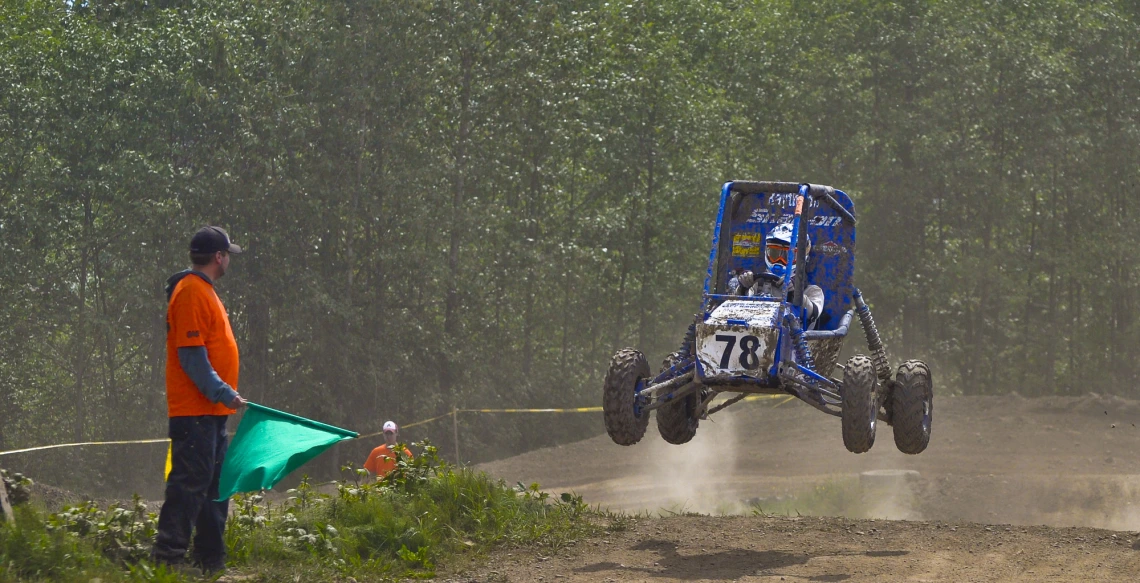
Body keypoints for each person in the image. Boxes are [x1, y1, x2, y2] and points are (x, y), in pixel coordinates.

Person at [152, 226, 248, 575]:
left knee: (214, 488)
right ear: (219, 257)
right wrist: (224, 391)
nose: (228, 261)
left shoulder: (205, 291)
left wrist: (223, 398)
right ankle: (168, 560)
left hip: (211, 413)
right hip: (195, 412)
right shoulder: (191, 292)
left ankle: (210, 560)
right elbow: (191, 357)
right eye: (228, 255)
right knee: (189, 486)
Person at [729, 223, 826, 329]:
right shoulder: (756, 285)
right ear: (767, 252)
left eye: (788, 256)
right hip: (755, 336)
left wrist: (794, 292)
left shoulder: (813, 291)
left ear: (801, 258)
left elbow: (813, 313)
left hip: (792, 342)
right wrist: (743, 287)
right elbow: (733, 310)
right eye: (774, 253)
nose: (780, 261)